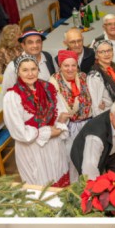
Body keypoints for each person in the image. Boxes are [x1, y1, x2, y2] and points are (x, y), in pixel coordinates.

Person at [4, 55, 70, 187]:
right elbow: (19, 131)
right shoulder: (12, 97)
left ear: (38, 69)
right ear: (18, 72)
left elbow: (60, 110)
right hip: (32, 149)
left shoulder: (48, 87)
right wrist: (46, 132)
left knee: (58, 179)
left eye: (33, 69)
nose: (30, 74)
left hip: (54, 145)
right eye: (25, 70)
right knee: (39, 187)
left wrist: (60, 124)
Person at [49, 50, 91, 182]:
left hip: (88, 124)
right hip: (68, 127)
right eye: (66, 65)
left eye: (73, 65)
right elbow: (53, 108)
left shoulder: (83, 76)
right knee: (72, 159)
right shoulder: (53, 82)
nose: (70, 69)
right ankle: (75, 188)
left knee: (89, 157)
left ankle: (91, 187)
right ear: (60, 66)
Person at [88, 40, 115, 116]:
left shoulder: (114, 67)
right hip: (106, 114)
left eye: (109, 50)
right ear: (96, 55)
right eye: (102, 52)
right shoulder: (94, 76)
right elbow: (95, 105)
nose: (106, 54)